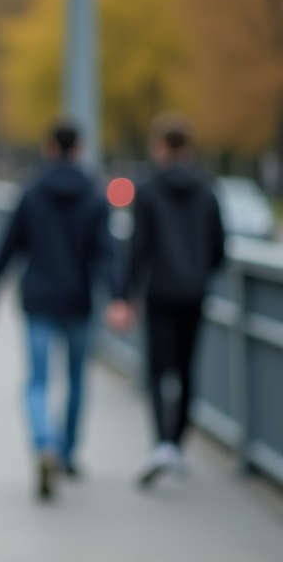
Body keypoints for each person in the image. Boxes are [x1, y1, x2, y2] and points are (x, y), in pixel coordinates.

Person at [0, 121, 118, 501]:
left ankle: (44, 443)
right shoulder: (93, 195)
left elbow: (8, 246)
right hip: (78, 300)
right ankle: (67, 452)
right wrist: (118, 296)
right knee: (76, 380)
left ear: (49, 147)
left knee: (37, 381)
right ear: (79, 150)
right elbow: (107, 252)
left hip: (38, 300)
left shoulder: (32, 192)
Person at [106, 114, 225, 488]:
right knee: (188, 369)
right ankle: (178, 443)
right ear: (188, 147)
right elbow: (219, 247)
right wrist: (200, 272)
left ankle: (162, 444)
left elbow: (139, 247)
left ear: (159, 146)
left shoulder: (148, 189)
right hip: (195, 292)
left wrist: (126, 294)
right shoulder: (208, 189)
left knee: (158, 371)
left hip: (159, 292)